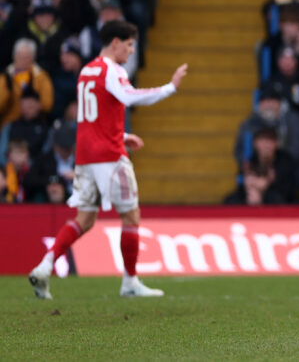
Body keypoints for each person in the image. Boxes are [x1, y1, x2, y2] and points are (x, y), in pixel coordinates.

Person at [28, 20, 187, 300]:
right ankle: (130, 282)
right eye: (128, 44)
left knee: (85, 218)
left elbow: (92, 117)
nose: (130, 50)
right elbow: (128, 96)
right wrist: (169, 88)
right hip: (110, 158)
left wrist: (122, 134)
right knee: (131, 216)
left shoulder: (86, 71)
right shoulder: (112, 69)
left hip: (85, 158)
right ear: (115, 43)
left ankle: (45, 264)